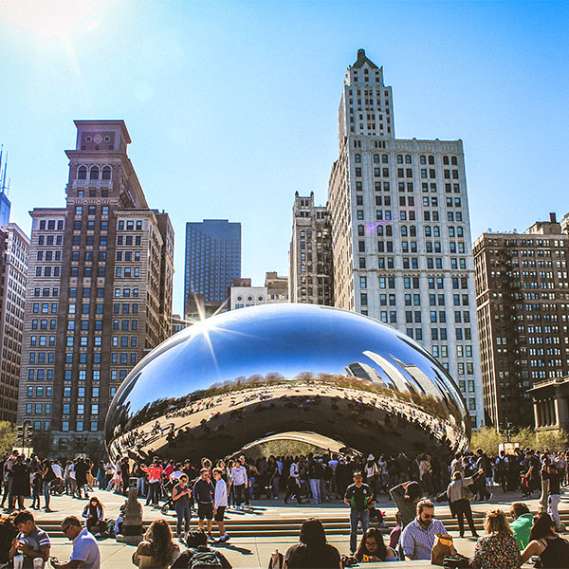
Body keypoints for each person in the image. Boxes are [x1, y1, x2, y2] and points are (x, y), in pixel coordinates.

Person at [344, 472, 374, 555]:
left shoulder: (366, 487)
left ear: (362, 478)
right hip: (354, 511)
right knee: (353, 531)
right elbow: (346, 499)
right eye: (356, 478)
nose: (358, 479)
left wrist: (368, 504)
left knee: (366, 531)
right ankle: (353, 549)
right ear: (353, 478)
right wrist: (351, 504)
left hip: (364, 510)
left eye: (359, 477)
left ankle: (365, 548)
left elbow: (371, 496)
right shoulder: (350, 488)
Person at [447, 470, 480, 538]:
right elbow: (472, 478)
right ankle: (474, 532)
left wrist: (452, 510)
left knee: (460, 519)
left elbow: (448, 496)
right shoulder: (462, 481)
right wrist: (479, 473)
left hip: (456, 504)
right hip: (464, 502)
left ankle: (461, 534)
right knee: (469, 518)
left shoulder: (450, 485)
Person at [193, 469, 214, 538]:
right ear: (201, 474)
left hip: (209, 503)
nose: (207, 476)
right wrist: (198, 502)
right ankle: (201, 533)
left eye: (208, 475)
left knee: (210, 519)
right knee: (201, 519)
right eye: (205, 475)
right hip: (202, 503)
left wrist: (209, 483)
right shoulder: (198, 482)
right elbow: (195, 493)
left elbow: (213, 491)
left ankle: (209, 533)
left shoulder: (209, 481)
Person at [172, 474, 192, 539]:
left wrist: (189, 493)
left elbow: (189, 497)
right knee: (180, 519)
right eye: (183, 480)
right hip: (179, 505)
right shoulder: (176, 487)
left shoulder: (186, 486)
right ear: (179, 480)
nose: (184, 482)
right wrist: (181, 494)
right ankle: (179, 534)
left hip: (186, 504)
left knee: (188, 519)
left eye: (185, 481)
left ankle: (186, 533)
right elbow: (173, 498)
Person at [213, 468, 229, 542]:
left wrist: (215, 507)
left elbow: (219, 496)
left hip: (220, 504)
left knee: (219, 520)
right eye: (214, 474)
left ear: (219, 474)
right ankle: (224, 534)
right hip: (221, 504)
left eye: (216, 474)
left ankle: (222, 535)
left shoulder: (221, 482)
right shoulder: (219, 482)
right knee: (219, 520)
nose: (214, 475)